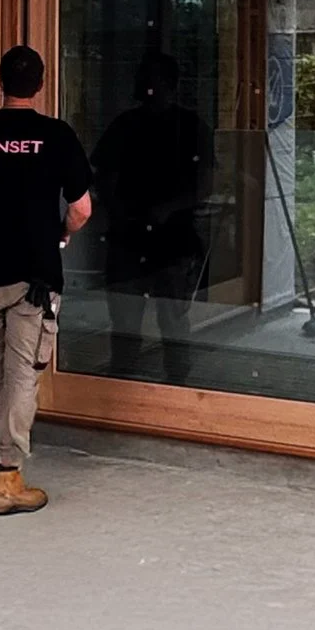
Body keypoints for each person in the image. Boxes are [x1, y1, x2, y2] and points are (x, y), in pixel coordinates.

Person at [0, 45, 92, 516]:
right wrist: (61, 234)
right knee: (22, 373)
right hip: (35, 276)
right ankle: (8, 477)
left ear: (0, 83)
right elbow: (82, 208)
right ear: (41, 85)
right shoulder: (57, 136)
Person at [88, 54, 214, 384]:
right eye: (144, 82)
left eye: (154, 82)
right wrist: (119, 213)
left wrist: (168, 209)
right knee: (125, 322)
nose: (148, 89)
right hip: (128, 237)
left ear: (170, 86)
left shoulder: (190, 126)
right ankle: (123, 384)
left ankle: (177, 385)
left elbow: (205, 185)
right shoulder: (124, 126)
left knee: (173, 321)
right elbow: (101, 180)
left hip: (173, 238)